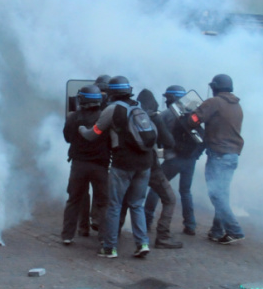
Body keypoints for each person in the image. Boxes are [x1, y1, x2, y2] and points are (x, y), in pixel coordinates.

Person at [80, 76, 154, 258]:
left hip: (123, 164)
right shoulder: (138, 107)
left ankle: (110, 248)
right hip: (145, 164)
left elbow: (94, 133)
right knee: (137, 204)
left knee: (114, 205)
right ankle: (142, 243)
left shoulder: (112, 110)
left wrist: (82, 128)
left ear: (111, 93)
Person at [117, 88, 183, 249]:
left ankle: (114, 233)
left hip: (127, 164)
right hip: (150, 165)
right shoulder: (154, 117)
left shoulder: (127, 115)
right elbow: (169, 142)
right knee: (169, 198)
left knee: (125, 199)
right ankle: (163, 236)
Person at [185, 74, 245, 245]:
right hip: (232, 156)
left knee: (217, 195)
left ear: (215, 87)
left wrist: (191, 114)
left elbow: (193, 121)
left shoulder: (214, 102)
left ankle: (234, 231)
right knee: (222, 195)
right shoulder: (237, 105)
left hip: (218, 155)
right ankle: (217, 231)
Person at [145, 85, 205, 236]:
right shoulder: (193, 114)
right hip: (190, 159)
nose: (166, 100)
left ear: (172, 98)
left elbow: (156, 136)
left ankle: (146, 221)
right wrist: (195, 156)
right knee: (185, 191)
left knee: (156, 188)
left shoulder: (166, 114)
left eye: (167, 98)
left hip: (173, 159)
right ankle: (190, 225)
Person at [61, 85, 110, 245]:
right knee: (103, 203)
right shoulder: (104, 117)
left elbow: (67, 138)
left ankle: (68, 235)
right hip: (100, 166)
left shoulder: (73, 117)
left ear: (81, 100)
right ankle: (103, 238)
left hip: (78, 165)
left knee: (74, 200)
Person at [75, 74, 113, 235]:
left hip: (83, 156)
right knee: (102, 192)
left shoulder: (83, 111)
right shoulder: (111, 108)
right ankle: (98, 221)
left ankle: (83, 226)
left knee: (83, 192)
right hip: (103, 157)